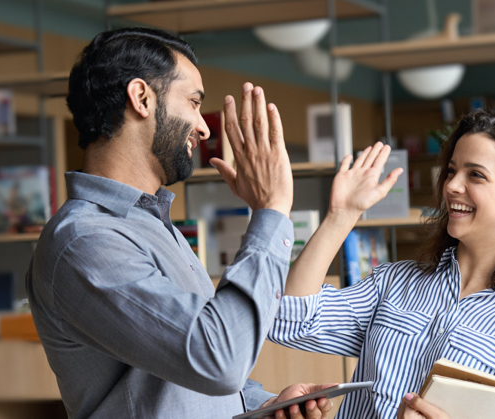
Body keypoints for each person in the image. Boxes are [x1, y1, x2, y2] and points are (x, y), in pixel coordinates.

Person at [25, 27, 334, 419]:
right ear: (141, 98)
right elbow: (218, 359)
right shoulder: (85, 241)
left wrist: (264, 405)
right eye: (192, 102)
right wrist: (271, 210)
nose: (204, 127)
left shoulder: (152, 225)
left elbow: (181, 371)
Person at [268, 110, 495, 419]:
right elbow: (288, 320)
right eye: (452, 170)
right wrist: (341, 216)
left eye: (476, 175)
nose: (451, 185)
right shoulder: (394, 284)